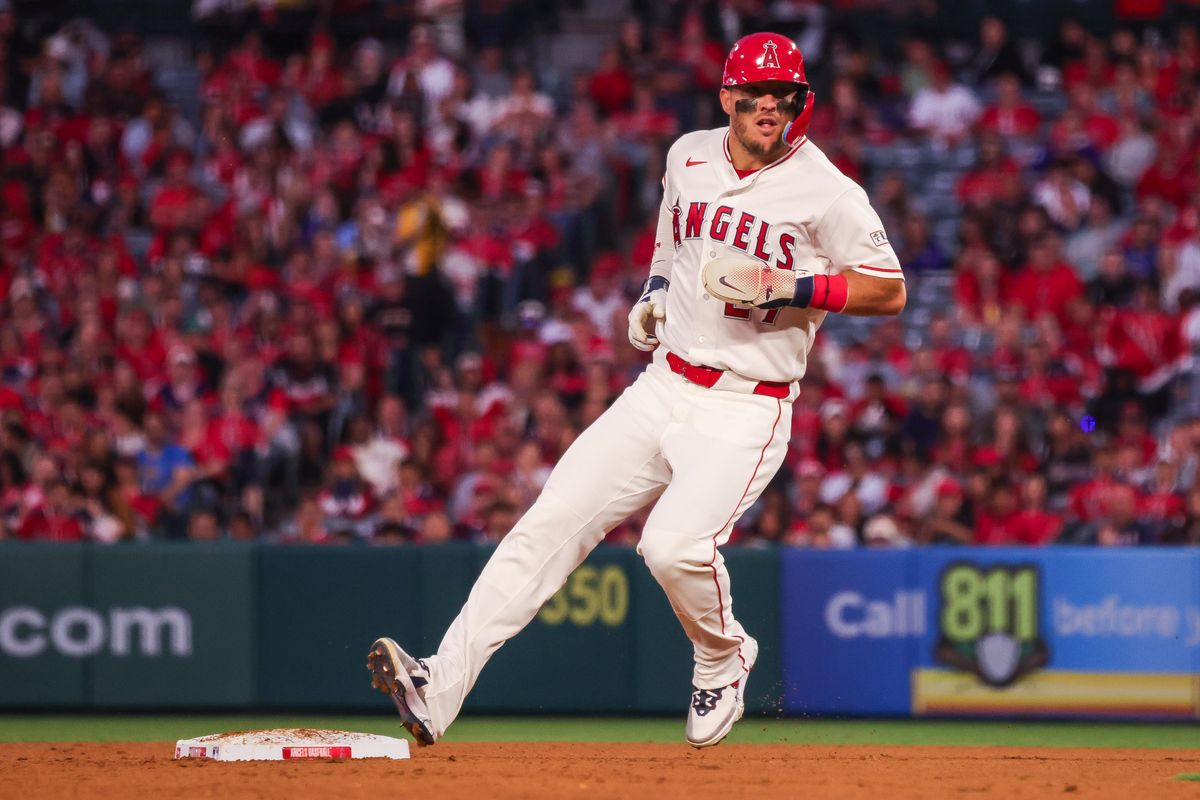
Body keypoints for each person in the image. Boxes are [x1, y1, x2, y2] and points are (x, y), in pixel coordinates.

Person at [367, 32, 906, 750]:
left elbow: (890, 289)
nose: (770, 107)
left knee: (672, 548)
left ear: (802, 101)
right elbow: (669, 237)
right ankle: (440, 687)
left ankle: (722, 652)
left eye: (785, 96)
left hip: (746, 404)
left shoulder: (829, 190)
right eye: (756, 95)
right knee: (547, 523)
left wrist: (794, 284)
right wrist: (654, 292)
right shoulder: (687, 154)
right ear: (728, 98)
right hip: (663, 383)